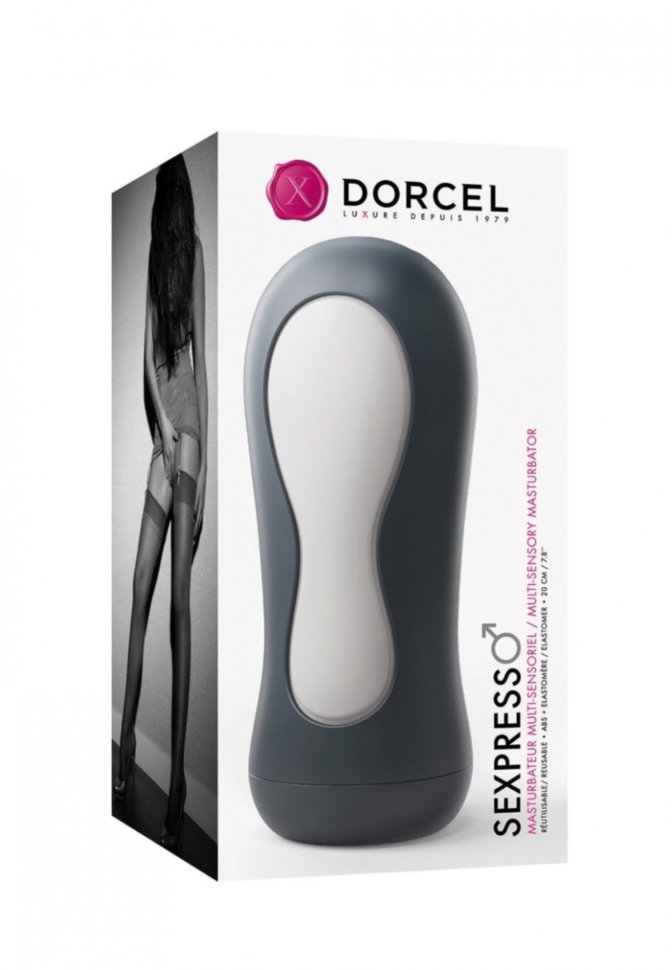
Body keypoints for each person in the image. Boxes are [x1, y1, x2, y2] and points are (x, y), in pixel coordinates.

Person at [113, 154, 208, 853]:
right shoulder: (156, 260)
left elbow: (200, 360)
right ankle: (125, 746)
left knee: (178, 606)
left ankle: (177, 784)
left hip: (191, 441)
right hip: (167, 439)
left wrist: (204, 461)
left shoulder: (193, 253)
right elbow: (150, 357)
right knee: (140, 590)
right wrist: (166, 433)